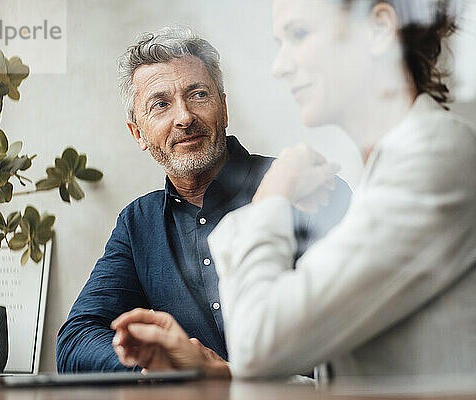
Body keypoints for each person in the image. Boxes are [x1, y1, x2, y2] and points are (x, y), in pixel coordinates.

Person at [112, 0, 476, 382]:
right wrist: (220, 374)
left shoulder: (435, 160)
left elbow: (258, 343)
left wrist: (270, 199)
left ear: (378, 28)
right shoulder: (394, 170)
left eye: (300, 34)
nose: (279, 66)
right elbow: (358, 377)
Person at [56, 27, 351, 373]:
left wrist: (222, 376)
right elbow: (75, 341)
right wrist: (155, 368)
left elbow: (349, 344)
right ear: (138, 133)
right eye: (160, 104)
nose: (183, 117)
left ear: (224, 109)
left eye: (197, 95)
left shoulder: (302, 184)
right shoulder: (139, 223)